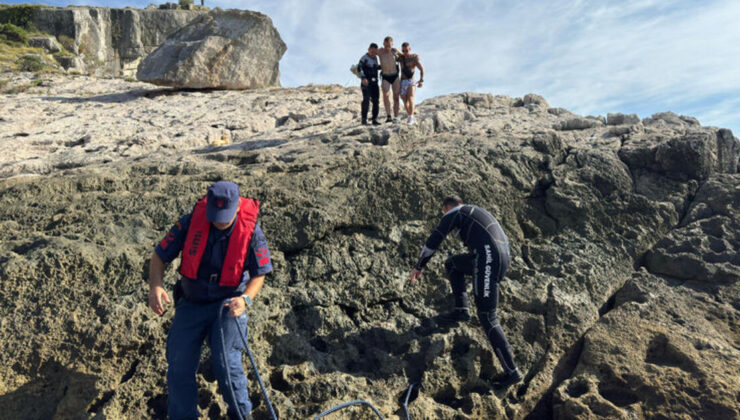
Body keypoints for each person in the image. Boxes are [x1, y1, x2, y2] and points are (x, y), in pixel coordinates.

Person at [148, 181, 273, 420]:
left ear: (237, 208)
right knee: (179, 363)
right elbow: (159, 255)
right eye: (215, 216)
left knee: (226, 363)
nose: (218, 221)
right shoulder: (190, 222)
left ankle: (241, 416)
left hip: (228, 304)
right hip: (192, 302)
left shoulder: (252, 231)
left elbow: (260, 274)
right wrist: (155, 286)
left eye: (224, 217)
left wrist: (246, 299)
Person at [410, 196, 522, 389]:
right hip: (500, 255)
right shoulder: (474, 211)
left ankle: (512, 372)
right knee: (453, 264)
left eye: (443, 211)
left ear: (446, 207)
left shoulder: (455, 212)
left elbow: (435, 238)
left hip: (488, 257)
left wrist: (419, 266)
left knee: (488, 316)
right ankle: (461, 309)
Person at [398, 42, 424, 124]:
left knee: (411, 98)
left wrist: (421, 80)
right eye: (403, 51)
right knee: (404, 100)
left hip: (411, 80)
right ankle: (411, 116)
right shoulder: (401, 58)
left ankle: (411, 117)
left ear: (410, 49)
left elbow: (422, 69)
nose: (405, 52)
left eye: (406, 50)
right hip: (402, 81)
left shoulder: (414, 57)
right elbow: (394, 51)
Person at [378, 36, 401, 123]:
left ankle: (396, 117)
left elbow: (404, 55)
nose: (388, 47)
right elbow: (371, 53)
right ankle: (388, 116)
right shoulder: (380, 51)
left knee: (396, 96)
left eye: (389, 45)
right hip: (385, 76)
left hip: (395, 76)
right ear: (384, 44)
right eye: (386, 45)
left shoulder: (395, 50)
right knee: (386, 95)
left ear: (392, 44)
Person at [357, 43, 381, 125]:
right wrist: (363, 78)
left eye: (375, 52)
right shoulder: (365, 58)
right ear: (368, 49)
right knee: (366, 100)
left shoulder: (376, 58)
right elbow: (359, 67)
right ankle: (364, 119)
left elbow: (377, 67)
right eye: (372, 51)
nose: (373, 53)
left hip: (375, 83)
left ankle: (374, 119)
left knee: (376, 101)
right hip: (366, 82)